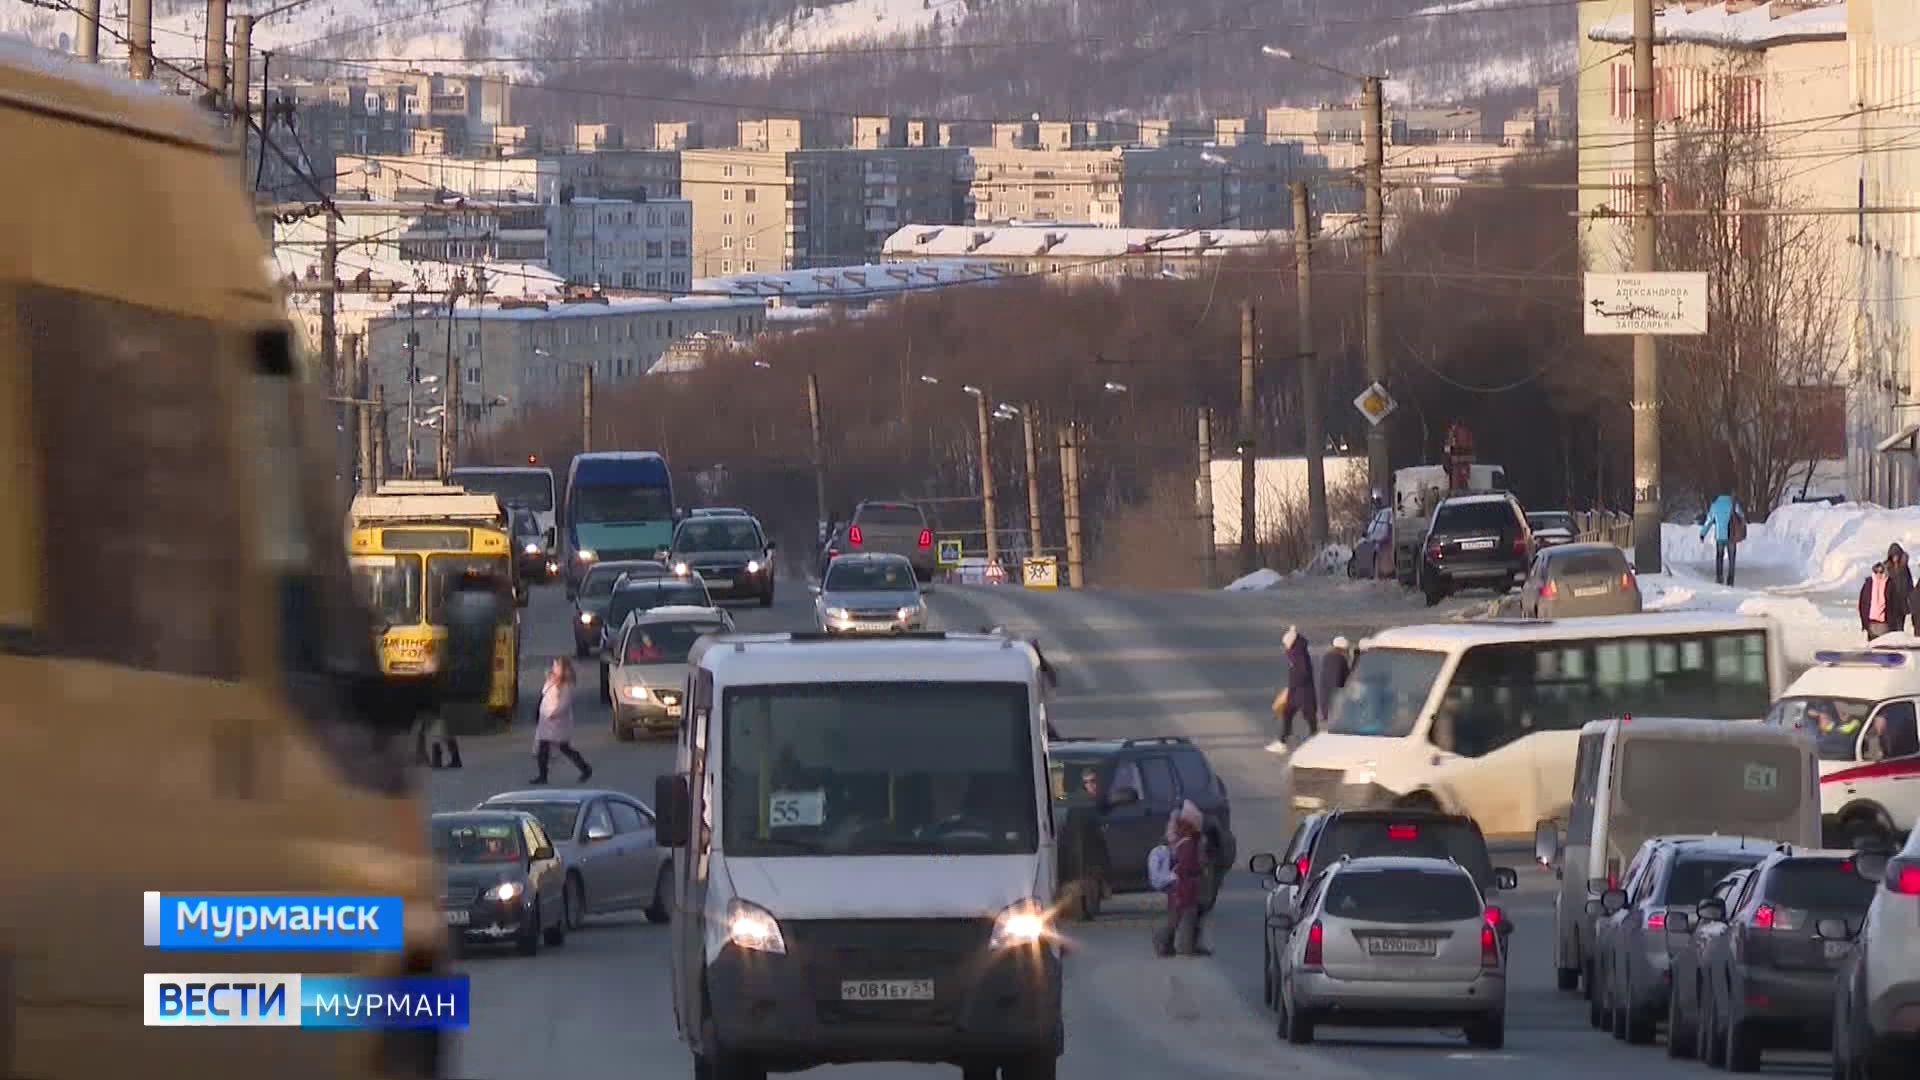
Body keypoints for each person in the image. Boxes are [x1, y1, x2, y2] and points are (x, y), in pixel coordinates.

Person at [1153, 800, 1211, 957]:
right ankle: (1169, 941)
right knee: (1181, 917)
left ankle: (1179, 944)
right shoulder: (1188, 844)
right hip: (1185, 889)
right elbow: (1186, 867)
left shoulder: (1185, 841)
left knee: (1183, 916)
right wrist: (1199, 869)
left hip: (1184, 889)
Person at [531, 658, 593, 785]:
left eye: (556, 666)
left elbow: (564, 703)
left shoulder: (566, 685)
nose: (553, 668)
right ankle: (543, 775)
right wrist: (549, 679)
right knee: (546, 747)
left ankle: (585, 768)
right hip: (547, 721)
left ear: (563, 669)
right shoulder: (552, 680)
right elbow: (544, 693)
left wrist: (554, 713)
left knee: (562, 748)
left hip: (557, 722)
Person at [1268, 625, 1317, 753]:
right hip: (1297, 692)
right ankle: (1282, 741)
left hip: (1301, 692)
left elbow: (1302, 672)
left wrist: (1293, 686)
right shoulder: (1297, 651)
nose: (1285, 648)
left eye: (1286, 645)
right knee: (1289, 714)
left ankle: (1315, 741)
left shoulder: (1297, 653)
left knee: (1308, 718)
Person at [1699, 491, 1745, 586]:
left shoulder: (1715, 505)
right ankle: (1730, 580)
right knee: (1732, 558)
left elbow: (1709, 521)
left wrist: (1703, 533)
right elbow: (1741, 516)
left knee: (1719, 557)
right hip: (1731, 534)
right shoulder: (1733, 503)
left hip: (1720, 535)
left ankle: (1719, 578)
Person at [1318, 636, 1352, 720]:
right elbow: (1346, 678)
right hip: (1335, 701)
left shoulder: (1326, 657)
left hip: (1325, 699)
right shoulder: (1340, 659)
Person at [1862, 562, 1895, 641]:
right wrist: (1864, 622)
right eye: (1876, 572)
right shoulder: (1869, 583)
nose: (1878, 574)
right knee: (1873, 649)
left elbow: (1894, 604)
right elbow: (1863, 602)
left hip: (1884, 623)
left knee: (1883, 648)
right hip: (1871, 622)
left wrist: (1892, 621)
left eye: (1881, 572)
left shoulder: (1889, 584)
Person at [1888, 544, 1914, 634]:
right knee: (1891, 627)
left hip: (1902, 601)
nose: (1895, 558)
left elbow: (1909, 583)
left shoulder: (1904, 568)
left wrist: (1910, 598)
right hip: (1891, 601)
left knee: (1900, 626)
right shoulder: (1888, 568)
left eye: (1897, 555)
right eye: (1893, 555)